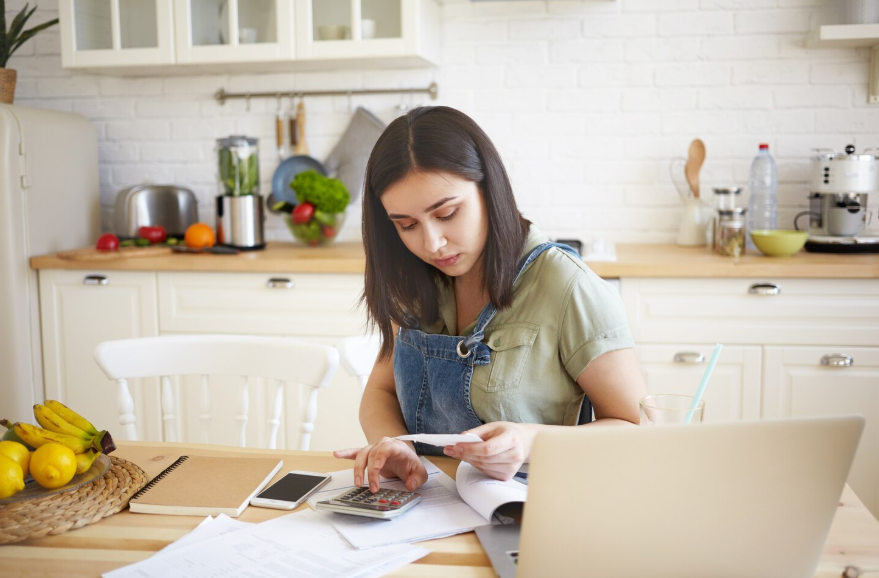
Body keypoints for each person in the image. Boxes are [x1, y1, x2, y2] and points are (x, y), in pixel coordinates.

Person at [334, 106, 648, 493]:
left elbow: (636, 429)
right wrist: (395, 444)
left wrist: (530, 440)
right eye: (407, 225)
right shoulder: (412, 280)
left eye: (447, 213)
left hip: (534, 512)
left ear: (489, 188)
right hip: (428, 506)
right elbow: (380, 392)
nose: (431, 244)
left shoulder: (567, 286)